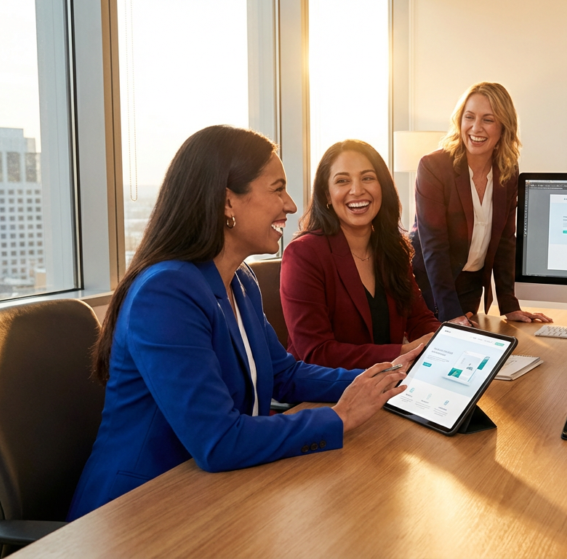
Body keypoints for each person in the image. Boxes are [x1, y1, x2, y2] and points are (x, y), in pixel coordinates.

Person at [68, 126, 417, 521]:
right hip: (139, 511)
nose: (289, 204)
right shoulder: (165, 293)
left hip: (215, 493)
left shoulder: (240, 280)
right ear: (228, 201)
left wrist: (389, 379)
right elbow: (219, 439)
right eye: (277, 189)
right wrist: (340, 417)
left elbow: (284, 373)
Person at [281, 140, 441, 369]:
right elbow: (316, 352)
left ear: (382, 187)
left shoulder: (392, 248)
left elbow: (419, 319)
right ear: (327, 195)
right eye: (342, 181)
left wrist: (450, 343)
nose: (357, 190)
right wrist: (403, 351)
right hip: (327, 394)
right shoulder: (304, 254)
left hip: (388, 384)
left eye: (367, 178)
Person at [409, 82, 551, 326]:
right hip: (428, 287)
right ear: (459, 121)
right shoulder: (434, 167)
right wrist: (450, 312)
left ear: (503, 127)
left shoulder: (507, 171)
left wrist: (510, 306)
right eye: (469, 117)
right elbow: (434, 246)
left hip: (469, 289)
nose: (476, 128)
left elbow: (506, 241)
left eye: (488, 119)